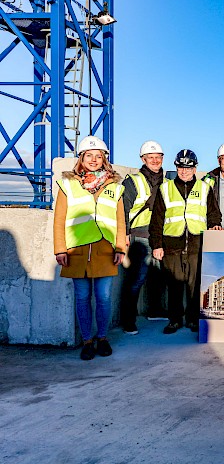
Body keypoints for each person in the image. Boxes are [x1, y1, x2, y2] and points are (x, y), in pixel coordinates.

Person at [53, 136, 126, 360]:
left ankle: (102, 338)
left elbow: (120, 220)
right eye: (89, 155)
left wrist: (120, 248)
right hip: (77, 251)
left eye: (98, 156)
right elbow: (59, 220)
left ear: (104, 159)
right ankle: (87, 341)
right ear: (81, 158)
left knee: (103, 297)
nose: (94, 159)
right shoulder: (68, 185)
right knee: (82, 297)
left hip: (105, 250)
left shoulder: (115, 186)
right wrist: (60, 249)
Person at [149, 150, 222, 334]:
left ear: (195, 168)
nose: (184, 171)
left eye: (188, 167)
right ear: (176, 167)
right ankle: (175, 320)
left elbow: (213, 213)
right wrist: (156, 245)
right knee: (174, 285)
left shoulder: (205, 188)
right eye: (181, 167)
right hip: (172, 244)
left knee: (194, 285)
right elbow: (157, 220)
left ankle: (192, 320)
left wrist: (215, 225)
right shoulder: (165, 189)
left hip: (197, 245)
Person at [120, 140, 167, 335]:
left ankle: (155, 310)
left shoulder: (166, 182)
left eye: (158, 157)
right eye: (151, 158)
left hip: (159, 236)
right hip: (139, 237)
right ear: (143, 159)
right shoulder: (133, 181)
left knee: (158, 276)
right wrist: (124, 235)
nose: (155, 161)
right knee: (136, 280)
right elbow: (123, 208)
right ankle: (128, 320)